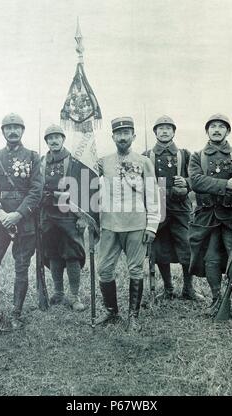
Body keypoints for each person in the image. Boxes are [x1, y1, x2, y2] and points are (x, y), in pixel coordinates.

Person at [188, 113, 232, 322]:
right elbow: (196, 182)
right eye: (213, 126)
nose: (217, 129)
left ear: (228, 131)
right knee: (210, 259)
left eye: (221, 126)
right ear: (207, 131)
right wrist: (225, 185)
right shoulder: (197, 156)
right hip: (207, 217)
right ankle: (217, 301)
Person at [0, 113, 43, 331]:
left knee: (21, 268)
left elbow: (36, 190)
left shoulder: (33, 157)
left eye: (17, 127)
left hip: (25, 222)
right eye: (8, 128)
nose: (13, 131)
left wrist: (19, 214)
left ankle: (16, 314)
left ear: (23, 131)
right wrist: (0, 213)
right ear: (3, 131)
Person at [97, 117, 160, 332]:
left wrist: (152, 226)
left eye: (127, 133)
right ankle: (111, 311)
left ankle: (133, 316)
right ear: (113, 136)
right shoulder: (103, 162)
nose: (122, 137)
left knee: (135, 269)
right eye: (118, 133)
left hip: (135, 224)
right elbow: (89, 187)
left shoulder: (144, 162)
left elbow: (152, 195)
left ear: (133, 136)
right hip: (109, 224)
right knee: (104, 268)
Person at [144, 116, 204, 301]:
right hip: (157, 207)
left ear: (174, 132)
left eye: (168, 128)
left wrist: (186, 182)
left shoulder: (185, 154)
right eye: (160, 128)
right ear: (155, 132)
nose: (164, 131)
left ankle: (188, 288)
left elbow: (198, 177)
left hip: (181, 207)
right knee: (160, 248)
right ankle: (168, 289)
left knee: (187, 246)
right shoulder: (146, 155)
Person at [40, 124, 97, 311]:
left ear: (63, 139)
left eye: (57, 137)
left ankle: (74, 295)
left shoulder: (74, 161)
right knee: (53, 253)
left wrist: (83, 218)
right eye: (50, 138)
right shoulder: (41, 163)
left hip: (70, 216)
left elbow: (88, 189)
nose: (54, 141)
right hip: (48, 216)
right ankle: (58, 292)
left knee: (72, 254)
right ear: (46, 141)